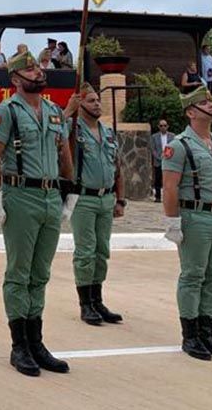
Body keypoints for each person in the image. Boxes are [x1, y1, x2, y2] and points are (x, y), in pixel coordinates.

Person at [0, 51, 75, 377]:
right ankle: (19, 345)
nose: (38, 72)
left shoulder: (53, 112)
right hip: (20, 195)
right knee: (19, 273)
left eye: (38, 67)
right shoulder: (5, 112)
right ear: (16, 79)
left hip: (50, 196)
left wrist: (70, 191)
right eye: (30, 69)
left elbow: (64, 151)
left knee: (41, 274)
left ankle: (37, 342)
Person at [160, 85, 212, 362]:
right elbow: (170, 187)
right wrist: (172, 221)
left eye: (210, 102)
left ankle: (208, 332)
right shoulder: (179, 145)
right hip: (195, 216)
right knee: (193, 275)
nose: (211, 106)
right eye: (204, 104)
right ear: (190, 112)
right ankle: (190, 334)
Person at [64, 85, 126, 326]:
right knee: (86, 251)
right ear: (80, 105)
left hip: (106, 198)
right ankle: (85, 303)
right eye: (91, 101)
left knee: (102, 251)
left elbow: (118, 167)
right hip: (83, 198)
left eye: (98, 100)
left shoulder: (108, 132)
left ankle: (98, 300)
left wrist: (120, 199)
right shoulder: (73, 130)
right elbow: (53, 129)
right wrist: (68, 111)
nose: (97, 104)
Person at [150, 119, 172, 202]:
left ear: (168, 126)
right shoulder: (154, 137)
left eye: (165, 125)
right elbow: (153, 149)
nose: (163, 127)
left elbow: (173, 147)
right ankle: (158, 197)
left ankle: (169, 197)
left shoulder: (172, 136)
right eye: (161, 126)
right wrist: (159, 157)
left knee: (169, 180)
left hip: (169, 161)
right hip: (158, 161)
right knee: (158, 180)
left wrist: (167, 155)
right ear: (158, 127)